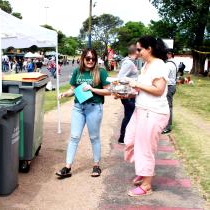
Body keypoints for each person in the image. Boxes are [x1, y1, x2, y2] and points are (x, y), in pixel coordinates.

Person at [121, 36, 170, 197]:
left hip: (154, 113)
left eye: (139, 49)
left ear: (149, 49)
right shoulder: (146, 65)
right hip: (141, 110)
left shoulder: (159, 65)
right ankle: (143, 170)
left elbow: (159, 90)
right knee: (129, 140)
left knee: (145, 148)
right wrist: (125, 93)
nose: (137, 52)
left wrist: (136, 84)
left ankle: (147, 184)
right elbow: (142, 89)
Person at [55, 48, 111, 179]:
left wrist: (92, 89)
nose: (90, 61)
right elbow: (72, 90)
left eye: (93, 59)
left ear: (96, 60)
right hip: (78, 108)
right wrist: (64, 94)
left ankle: (96, 165)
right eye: (87, 58)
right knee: (74, 137)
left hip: (94, 107)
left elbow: (109, 91)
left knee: (94, 137)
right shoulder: (77, 72)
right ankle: (67, 167)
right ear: (83, 59)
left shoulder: (101, 72)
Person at [117, 44, 139, 144]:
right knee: (129, 116)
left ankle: (125, 137)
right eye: (138, 50)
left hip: (130, 93)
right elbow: (120, 77)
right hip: (128, 94)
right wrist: (132, 81)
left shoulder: (131, 62)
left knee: (129, 115)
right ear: (135, 52)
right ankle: (123, 137)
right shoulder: (128, 63)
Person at [162, 50, 177, 134]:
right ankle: (166, 125)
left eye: (166, 54)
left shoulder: (168, 64)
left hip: (169, 86)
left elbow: (164, 77)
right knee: (168, 106)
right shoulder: (174, 63)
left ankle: (167, 127)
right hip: (172, 86)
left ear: (169, 55)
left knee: (168, 107)